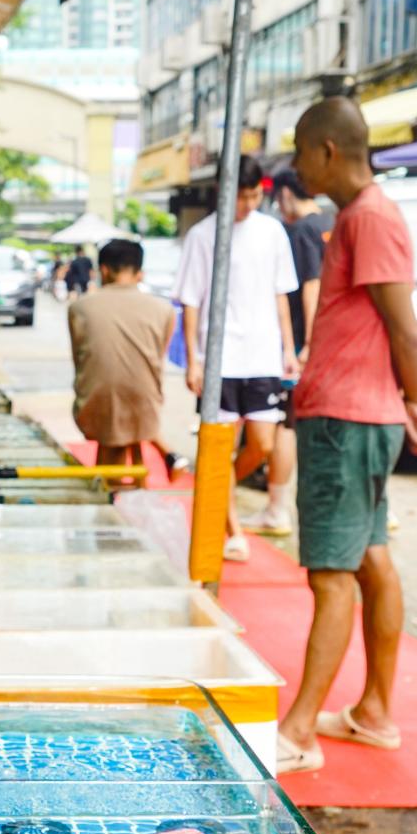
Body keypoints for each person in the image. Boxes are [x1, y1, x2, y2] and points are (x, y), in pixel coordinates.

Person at [276, 98, 417, 775]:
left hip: (349, 422)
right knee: (369, 559)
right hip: (356, 416)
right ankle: (373, 714)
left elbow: (405, 327)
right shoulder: (360, 217)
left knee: (331, 577)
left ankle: (299, 730)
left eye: (301, 152)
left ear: (327, 151)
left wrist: (414, 399)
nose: (297, 166)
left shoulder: (370, 217)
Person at [175, 156, 299, 561]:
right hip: (221, 358)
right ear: (222, 192)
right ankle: (231, 529)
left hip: (262, 356)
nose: (247, 204)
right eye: (241, 196)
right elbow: (191, 301)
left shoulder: (273, 232)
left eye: (254, 196)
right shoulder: (202, 235)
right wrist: (193, 359)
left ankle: (216, 483)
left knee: (262, 444)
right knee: (219, 445)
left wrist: (288, 349)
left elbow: (281, 294)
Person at [244, 169, 334, 536]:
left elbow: (310, 285)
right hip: (335, 342)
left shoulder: (300, 232)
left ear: (284, 194)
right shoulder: (330, 223)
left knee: (286, 424)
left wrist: (308, 341)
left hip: (302, 343)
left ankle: (277, 510)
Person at [68, 239, 176, 476]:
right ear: (140, 273)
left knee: (110, 405)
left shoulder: (80, 308)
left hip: (96, 405)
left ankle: (109, 496)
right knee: (133, 405)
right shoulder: (164, 310)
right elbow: (158, 357)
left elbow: (80, 360)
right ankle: (160, 462)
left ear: (103, 270)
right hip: (144, 404)